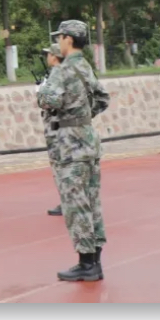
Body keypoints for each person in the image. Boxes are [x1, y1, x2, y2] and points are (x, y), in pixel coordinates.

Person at [38, 20, 110, 282]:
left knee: (75, 205)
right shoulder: (85, 66)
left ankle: (86, 263)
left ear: (68, 39)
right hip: (88, 139)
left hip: (70, 144)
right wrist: (83, 116)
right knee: (91, 202)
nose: (58, 42)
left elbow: (49, 100)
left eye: (60, 37)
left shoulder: (63, 69)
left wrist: (41, 92)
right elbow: (103, 98)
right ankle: (95, 261)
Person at [40, 44, 64, 216]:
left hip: (56, 127)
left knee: (59, 165)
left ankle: (66, 202)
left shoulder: (57, 74)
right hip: (65, 127)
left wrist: (40, 92)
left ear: (54, 56)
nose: (47, 57)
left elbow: (47, 102)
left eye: (48, 54)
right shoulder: (69, 73)